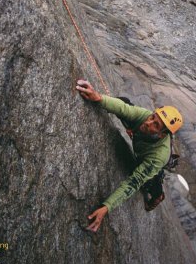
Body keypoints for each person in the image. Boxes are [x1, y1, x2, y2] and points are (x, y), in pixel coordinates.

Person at [75, 79, 183, 232]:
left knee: (150, 181)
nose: (148, 123)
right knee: (123, 101)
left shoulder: (158, 156)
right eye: (153, 117)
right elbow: (124, 109)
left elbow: (133, 183)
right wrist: (98, 97)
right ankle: (135, 133)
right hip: (140, 142)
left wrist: (106, 207)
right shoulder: (145, 117)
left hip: (148, 160)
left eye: (156, 125)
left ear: (162, 134)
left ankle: (157, 196)